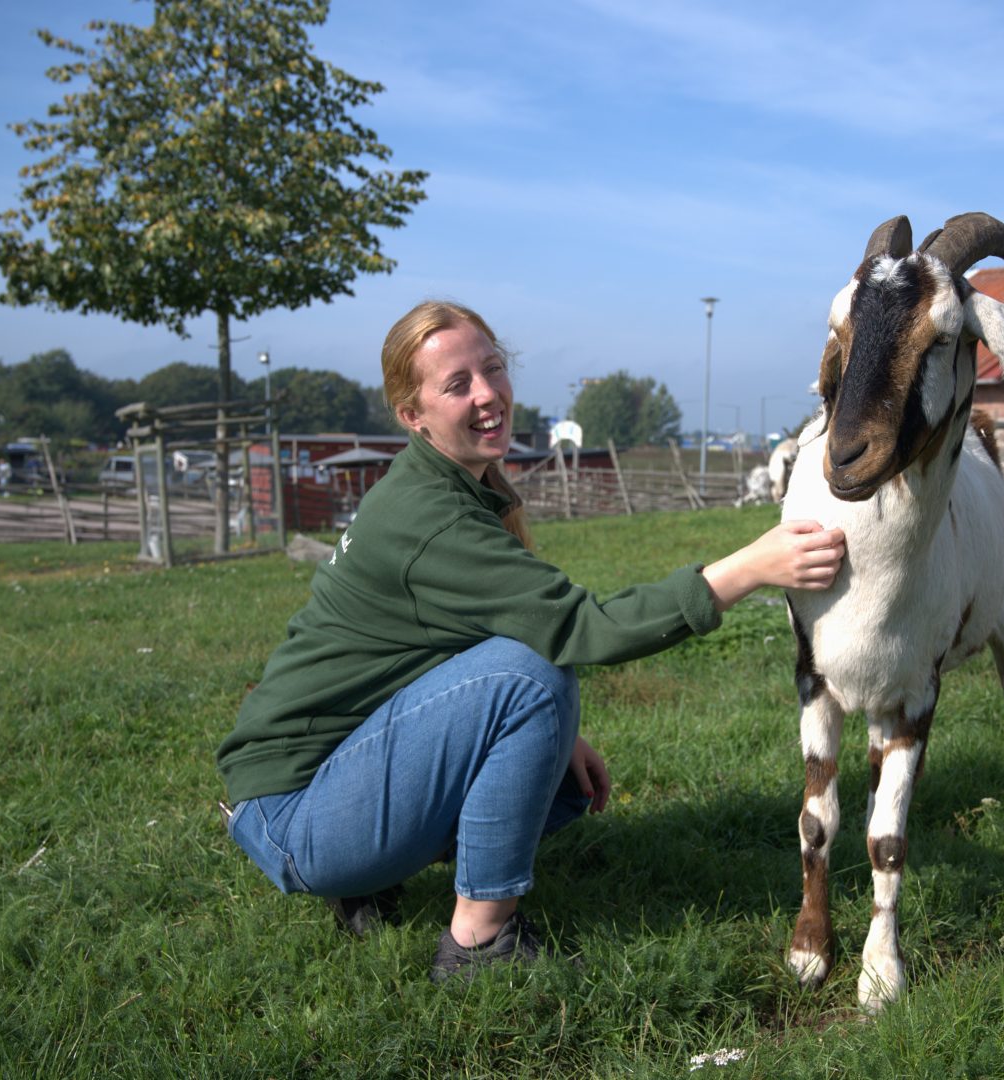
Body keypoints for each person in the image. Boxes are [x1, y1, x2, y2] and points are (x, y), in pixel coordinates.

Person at [215, 301, 845, 982]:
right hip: (293, 813)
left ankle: (371, 873)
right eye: (458, 384)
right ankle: (479, 944)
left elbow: (443, 644)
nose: (487, 394)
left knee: (554, 765)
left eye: (492, 369)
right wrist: (748, 568)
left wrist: (555, 739)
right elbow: (582, 628)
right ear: (412, 415)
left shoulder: (445, 485)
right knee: (530, 675)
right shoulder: (430, 516)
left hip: (312, 790)